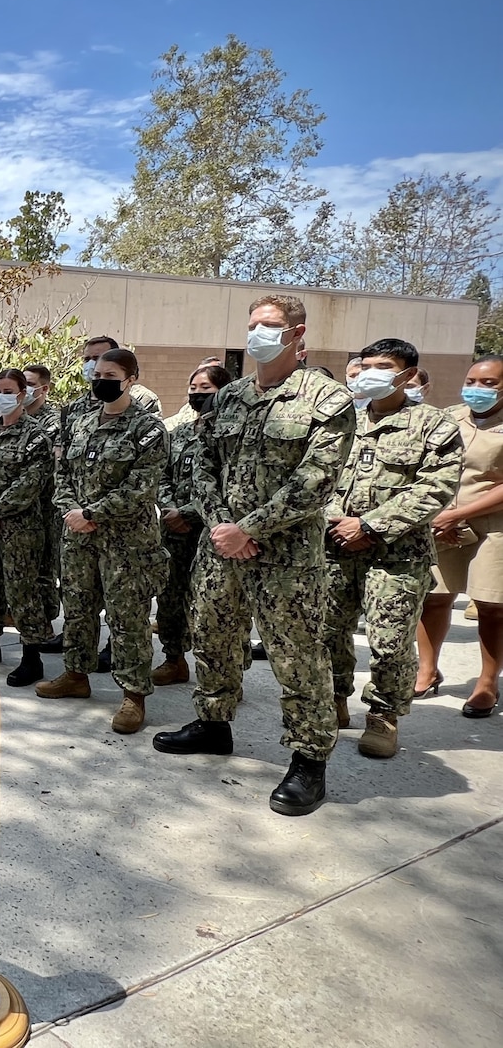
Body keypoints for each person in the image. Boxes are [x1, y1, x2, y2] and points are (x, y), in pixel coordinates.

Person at [154, 294, 356, 816]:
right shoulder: (230, 397)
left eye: (268, 325)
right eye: (251, 325)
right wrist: (224, 525)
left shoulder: (327, 399)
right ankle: (214, 723)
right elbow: (202, 464)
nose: (257, 334)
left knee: (297, 654)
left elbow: (315, 482)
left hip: (286, 555)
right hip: (221, 548)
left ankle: (310, 759)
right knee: (214, 636)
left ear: (297, 332)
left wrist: (249, 528)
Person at [323, 339, 462, 757]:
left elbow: (435, 488)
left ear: (405, 374)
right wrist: (335, 519)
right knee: (329, 631)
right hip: (335, 546)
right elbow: (318, 473)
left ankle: (383, 716)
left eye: (382, 366)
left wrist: (369, 525)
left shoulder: (434, 425)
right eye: (364, 365)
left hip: (398, 554)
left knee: (389, 640)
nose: (369, 373)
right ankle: (333, 699)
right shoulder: (343, 420)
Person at [39, 350, 168, 732]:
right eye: (96, 374)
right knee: (77, 609)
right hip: (78, 538)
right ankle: (76, 674)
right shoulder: (80, 424)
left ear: (130, 379)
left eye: (109, 374)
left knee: (127, 618)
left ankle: (133, 695)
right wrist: (72, 512)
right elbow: (61, 474)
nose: (100, 380)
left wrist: (92, 514)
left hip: (126, 543)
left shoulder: (147, 428)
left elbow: (142, 487)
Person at [415, 355, 503, 718]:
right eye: (472, 381)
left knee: (491, 606)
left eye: (489, 383)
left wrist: (460, 513)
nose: (477, 389)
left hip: (492, 526)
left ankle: (486, 682)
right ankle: (427, 670)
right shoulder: (448, 418)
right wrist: (440, 515)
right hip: (443, 524)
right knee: (434, 598)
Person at [0, 369, 61, 681]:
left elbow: (29, 484)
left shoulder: (36, 437)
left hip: (22, 529)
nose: (4, 397)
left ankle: (32, 656)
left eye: (10, 391)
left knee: (23, 591)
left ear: (22, 395)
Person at [153, 363, 233, 686]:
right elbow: (162, 475)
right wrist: (171, 509)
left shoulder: (229, 435)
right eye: (194, 388)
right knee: (170, 598)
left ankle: (225, 674)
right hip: (173, 530)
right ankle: (174, 659)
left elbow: (226, 487)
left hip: (212, 532)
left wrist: (189, 513)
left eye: (206, 389)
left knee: (214, 606)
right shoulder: (179, 434)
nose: (197, 395)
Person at [23, 364, 64, 639]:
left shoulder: (53, 421)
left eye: (29, 383)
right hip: (21, 507)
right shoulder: (18, 418)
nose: (24, 389)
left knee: (44, 566)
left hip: (47, 505)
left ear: (44, 388)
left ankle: (47, 620)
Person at [164, 356, 224, 433]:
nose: (197, 391)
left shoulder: (232, 415)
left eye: (205, 387)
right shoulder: (188, 410)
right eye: (193, 388)